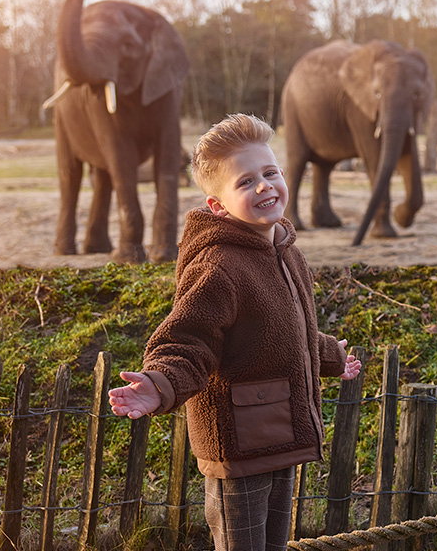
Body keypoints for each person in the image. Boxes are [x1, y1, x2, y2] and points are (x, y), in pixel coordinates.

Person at [108, 113, 362, 551]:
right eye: (246, 182)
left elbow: (281, 333)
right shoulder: (218, 264)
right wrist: (160, 382)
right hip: (239, 445)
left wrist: (329, 356)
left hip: (279, 434)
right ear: (218, 206)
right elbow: (189, 339)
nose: (264, 186)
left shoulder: (284, 249)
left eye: (270, 173)